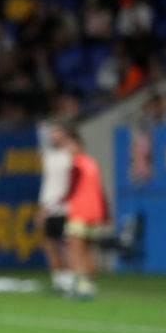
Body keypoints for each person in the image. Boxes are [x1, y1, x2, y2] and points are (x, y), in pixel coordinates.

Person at [57, 126, 108, 299]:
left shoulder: (76, 164)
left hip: (79, 213)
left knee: (74, 251)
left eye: (69, 145)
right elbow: (100, 191)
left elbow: (72, 190)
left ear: (76, 145)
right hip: (94, 214)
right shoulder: (92, 163)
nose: (67, 149)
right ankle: (89, 285)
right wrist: (106, 214)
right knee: (87, 251)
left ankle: (81, 287)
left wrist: (57, 203)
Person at [36, 121, 74, 293]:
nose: (54, 136)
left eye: (57, 132)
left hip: (65, 207)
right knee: (50, 245)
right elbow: (47, 185)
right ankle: (58, 281)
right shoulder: (49, 157)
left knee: (65, 245)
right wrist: (42, 207)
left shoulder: (69, 155)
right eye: (52, 133)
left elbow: (71, 184)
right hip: (49, 207)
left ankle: (70, 280)